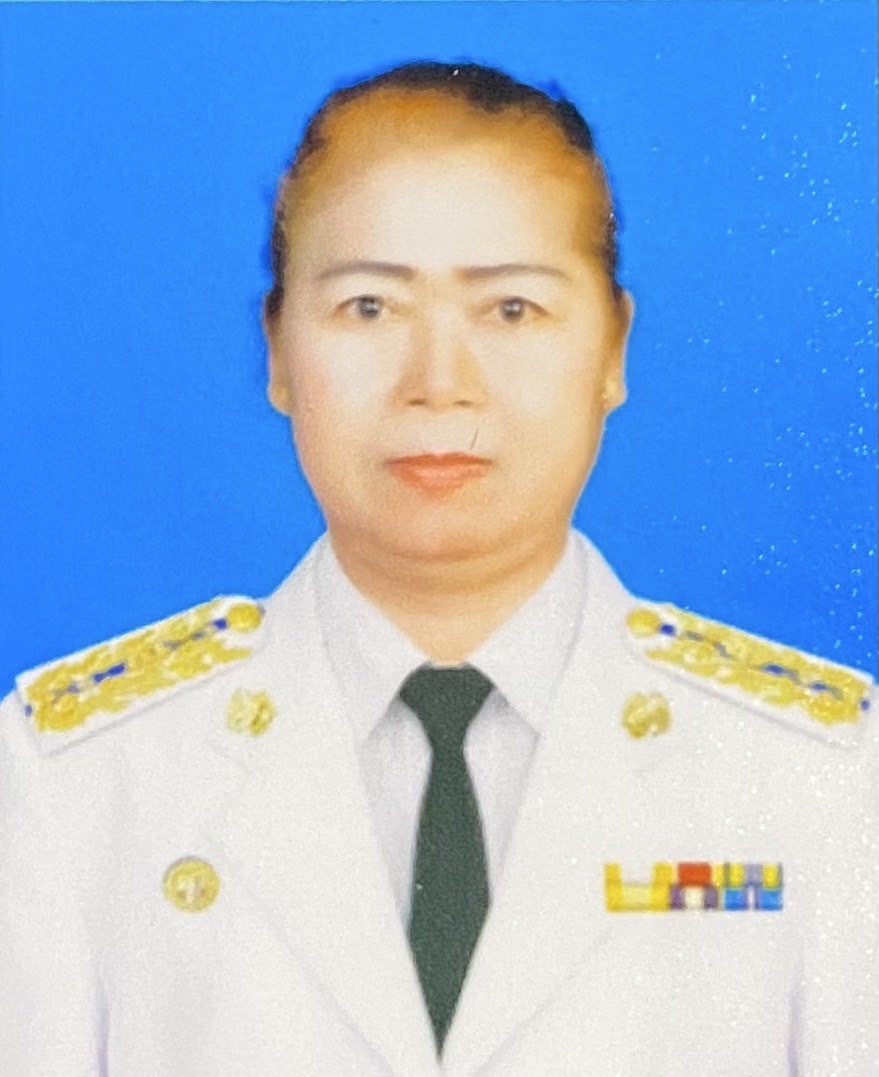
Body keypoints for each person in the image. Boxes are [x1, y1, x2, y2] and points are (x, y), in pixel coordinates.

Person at [0, 61, 875, 1077]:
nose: (439, 383)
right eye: (370, 307)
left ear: (612, 350)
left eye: (511, 310)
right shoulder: (73, 782)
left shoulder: (821, 778)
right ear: (277, 349)